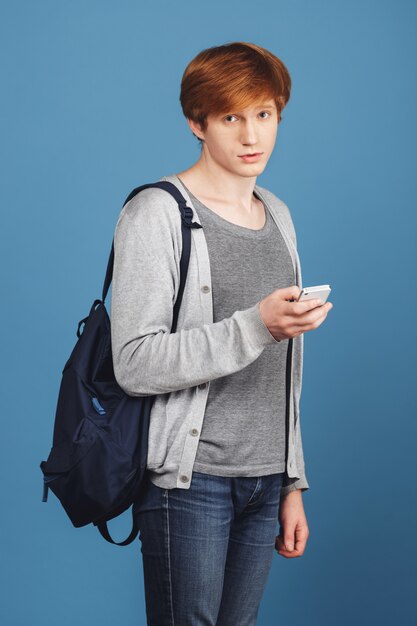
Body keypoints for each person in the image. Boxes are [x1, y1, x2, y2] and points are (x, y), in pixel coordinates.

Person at [110, 41, 333, 626]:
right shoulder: (157, 213)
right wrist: (255, 325)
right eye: (231, 117)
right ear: (197, 122)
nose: (251, 135)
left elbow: (285, 371)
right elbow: (134, 362)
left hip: (265, 482)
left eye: (264, 114)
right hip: (190, 481)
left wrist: (293, 481)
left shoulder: (278, 213)